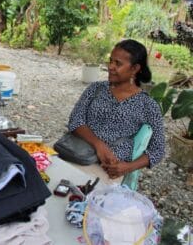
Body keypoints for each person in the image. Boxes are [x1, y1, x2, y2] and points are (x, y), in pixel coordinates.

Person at [68, 39, 165, 179]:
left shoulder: (148, 105)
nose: (110, 67)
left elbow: (158, 150)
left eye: (118, 63)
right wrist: (99, 145)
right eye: (110, 61)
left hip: (109, 169)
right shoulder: (95, 89)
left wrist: (127, 167)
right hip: (75, 152)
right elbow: (75, 120)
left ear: (135, 69)